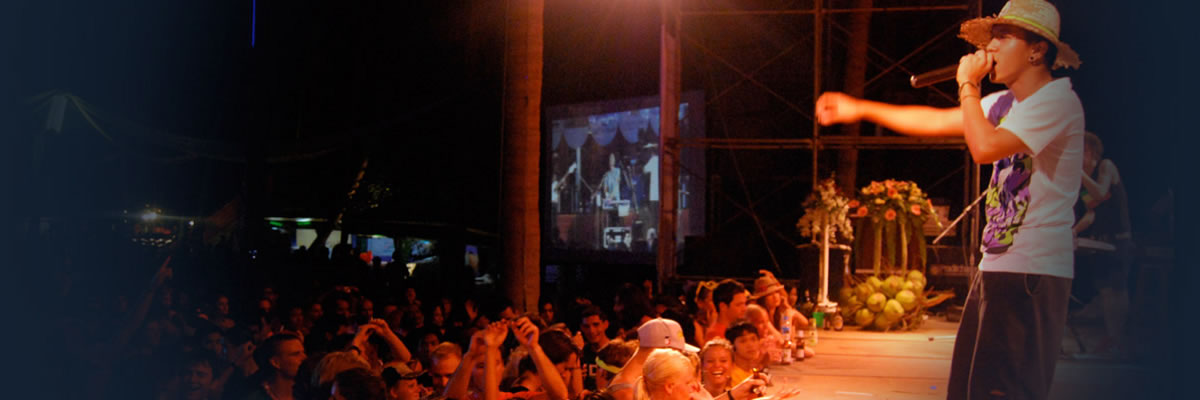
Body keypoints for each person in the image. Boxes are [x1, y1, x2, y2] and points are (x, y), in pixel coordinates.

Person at [815, 0, 1084, 398]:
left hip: (1032, 272)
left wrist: (968, 85)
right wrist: (860, 107)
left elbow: (984, 147)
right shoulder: (1005, 105)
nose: (989, 49)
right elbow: (936, 121)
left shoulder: (1056, 101)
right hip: (998, 264)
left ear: (1036, 49)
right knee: (972, 389)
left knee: (1006, 391)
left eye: (1002, 37)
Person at [1074, 132, 1134, 356]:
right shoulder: (1085, 179)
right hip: (1101, 243)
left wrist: (1078, 173)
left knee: (1116, 290)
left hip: (1119, 241)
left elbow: (1101, 191)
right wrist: (1073, 231)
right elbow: (1092, 213)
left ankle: (1118, 340)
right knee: (1106, 291)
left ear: (1089, 151)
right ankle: (1113, 339)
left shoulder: (1105, 167)